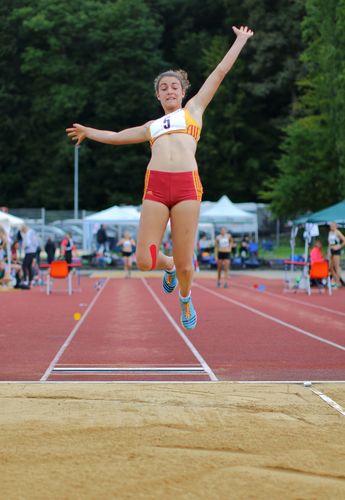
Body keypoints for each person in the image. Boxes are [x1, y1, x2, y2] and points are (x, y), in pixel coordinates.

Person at [66, 25, 254, 330]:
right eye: (163, 87)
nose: (169, 90)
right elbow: (116, 135)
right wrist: (89, 132)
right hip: (155, 187)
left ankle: (184, 297)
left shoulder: (193, 110)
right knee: (143, 260)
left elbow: (219, 73)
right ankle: (165, 266)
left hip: (186, 188)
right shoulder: (151, 126)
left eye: (174, 86)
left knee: (185, 265)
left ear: (183, 92)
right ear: (157, 94)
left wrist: (240, 41)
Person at [328, 222, 345, 288]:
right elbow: (329, 243)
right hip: (331, 250)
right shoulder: (330, 232)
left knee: (336, 266)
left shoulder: (337, 232)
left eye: (333, 225)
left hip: (336, 251)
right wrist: (329, 250)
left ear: (335, 226)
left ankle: (337, 282)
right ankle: (336, 280)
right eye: (331, 225)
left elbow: (344, 240)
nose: (331, 226)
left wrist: (339, 246)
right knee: (330, 267)